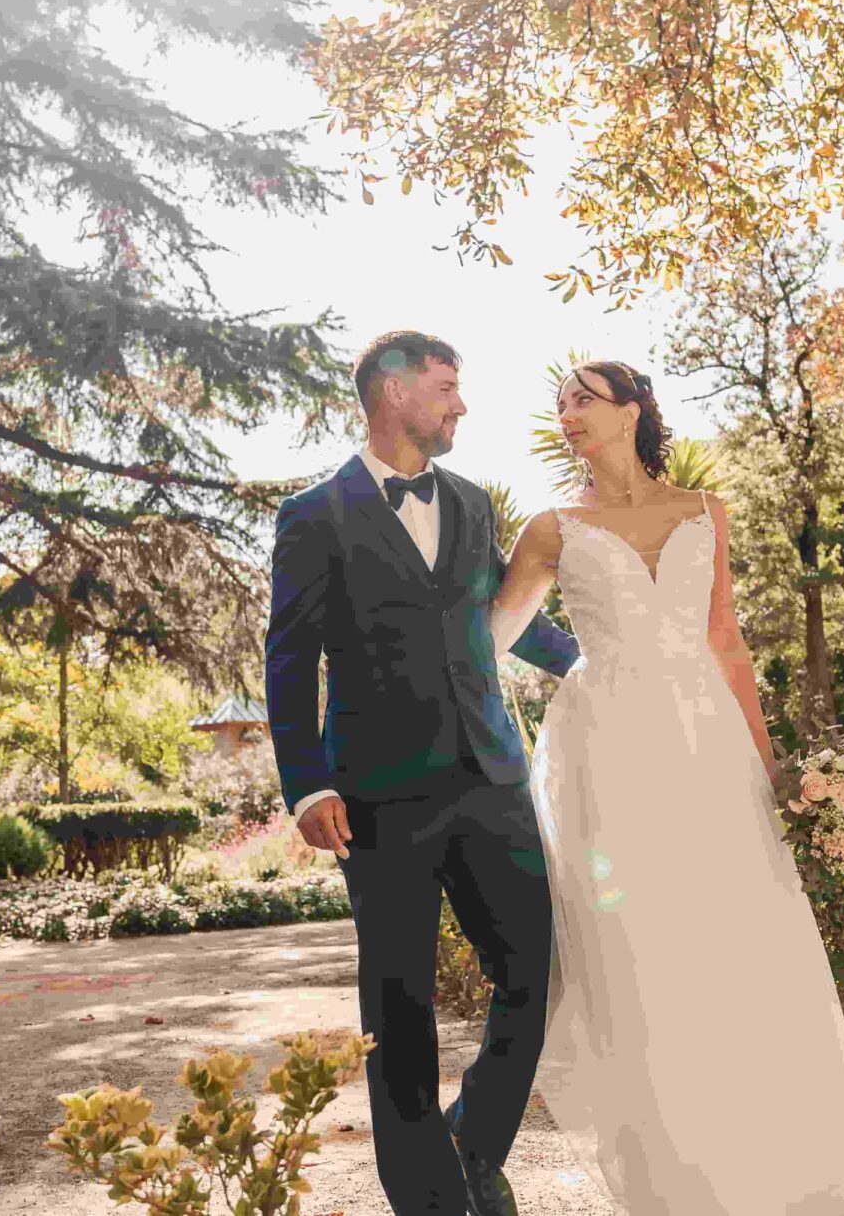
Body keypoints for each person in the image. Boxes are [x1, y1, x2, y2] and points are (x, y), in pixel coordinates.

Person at [489, 359, 844, 1214]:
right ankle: (676, 1185)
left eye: (583, 399)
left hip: (706, 742)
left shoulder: (704, 512)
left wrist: (772, 767)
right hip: (605, 748)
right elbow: (488, 642)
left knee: (739, 939)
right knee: (642, 951)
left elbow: (729, 643)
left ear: (633, 410)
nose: (567, 413)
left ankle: (783, 1166)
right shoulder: (551, 529)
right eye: (560, 401)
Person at [265, 330, 578, 1216]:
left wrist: (604, 660)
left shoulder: (475, 505)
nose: (460, 404)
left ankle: (474, 1143)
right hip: (378, 794)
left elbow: (501, 620)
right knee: (397, 1001)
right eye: (446, 387)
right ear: (394, 392)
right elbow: (289, 659)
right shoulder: (315, 515)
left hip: (491, 777)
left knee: (536, 969)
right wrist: (307, 782)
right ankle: (428, 1198)